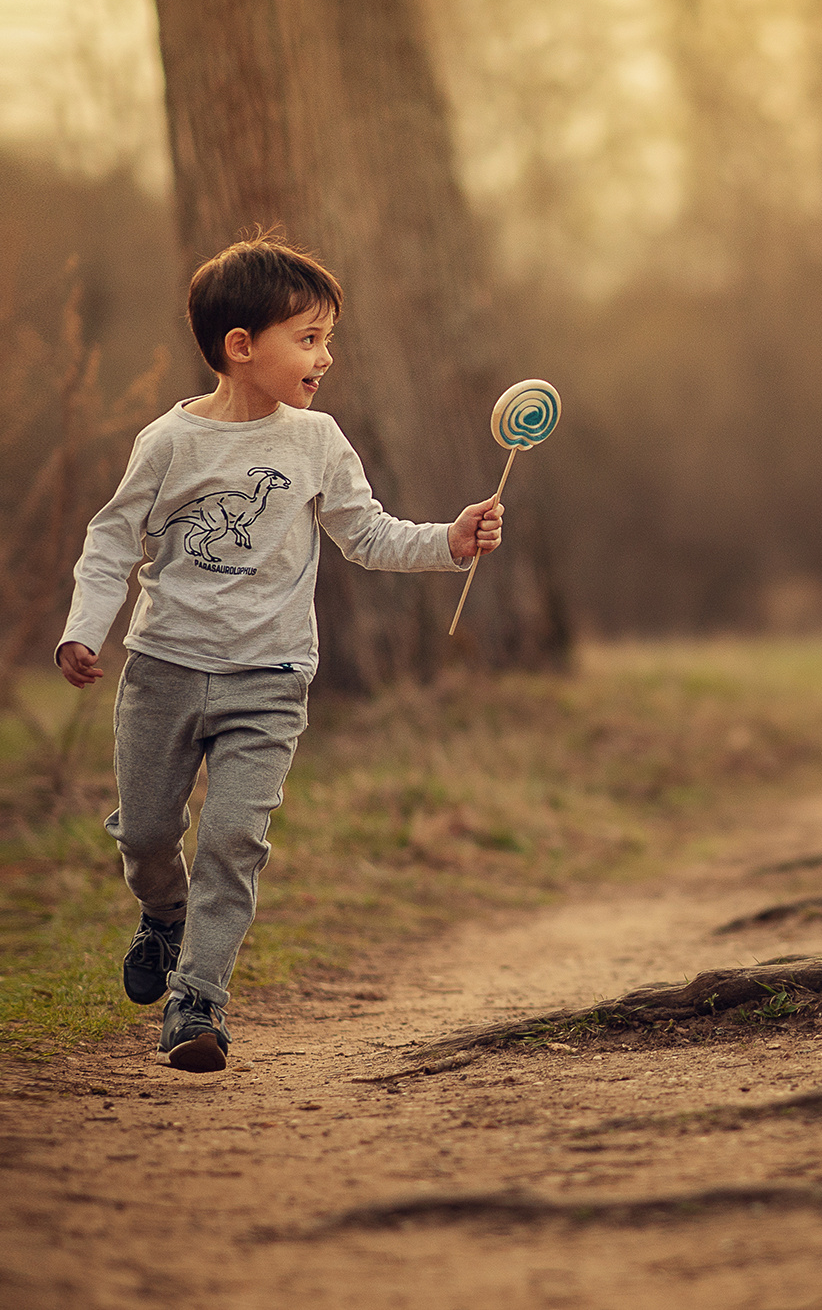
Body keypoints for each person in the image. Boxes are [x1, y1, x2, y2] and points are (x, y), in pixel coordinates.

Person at [55, 233, 504, 1071]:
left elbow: (367, 533)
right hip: (163, 670)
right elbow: (112, 542)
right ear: (241, 346)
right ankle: (164, 915)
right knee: (148, 834)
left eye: (328, 337)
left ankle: (199, 1002)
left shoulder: (317, 441)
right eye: (308, 337)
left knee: (232, 837)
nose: (325, 356)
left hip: (270, 677)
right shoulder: (169, 443)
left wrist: (452, 539)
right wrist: (84, 628)